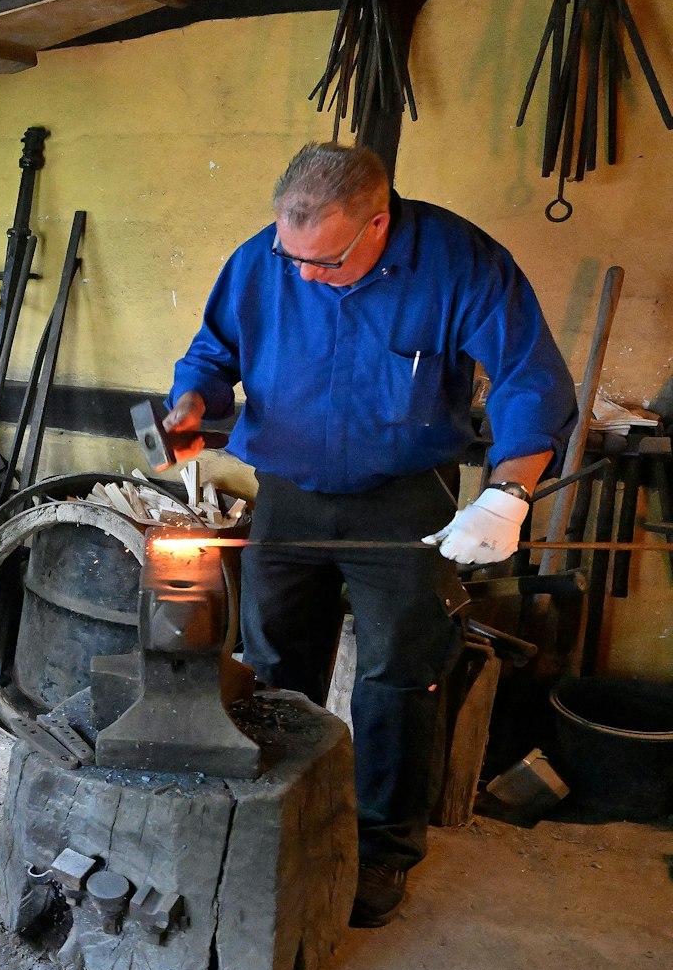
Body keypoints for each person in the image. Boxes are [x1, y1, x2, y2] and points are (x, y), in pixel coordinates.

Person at [164, 142, 574, 927]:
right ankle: (282, 813)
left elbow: (530, 373)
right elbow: (215, 352)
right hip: (287, 493)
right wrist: (192, 405)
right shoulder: (265, 260)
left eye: (324, 261)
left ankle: (384, 848)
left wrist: (509, 493)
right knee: (277, 660)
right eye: (294, 257)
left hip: (406, 499)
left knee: (398, 670)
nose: (304, 276)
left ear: (378, 222)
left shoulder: (460, 262)